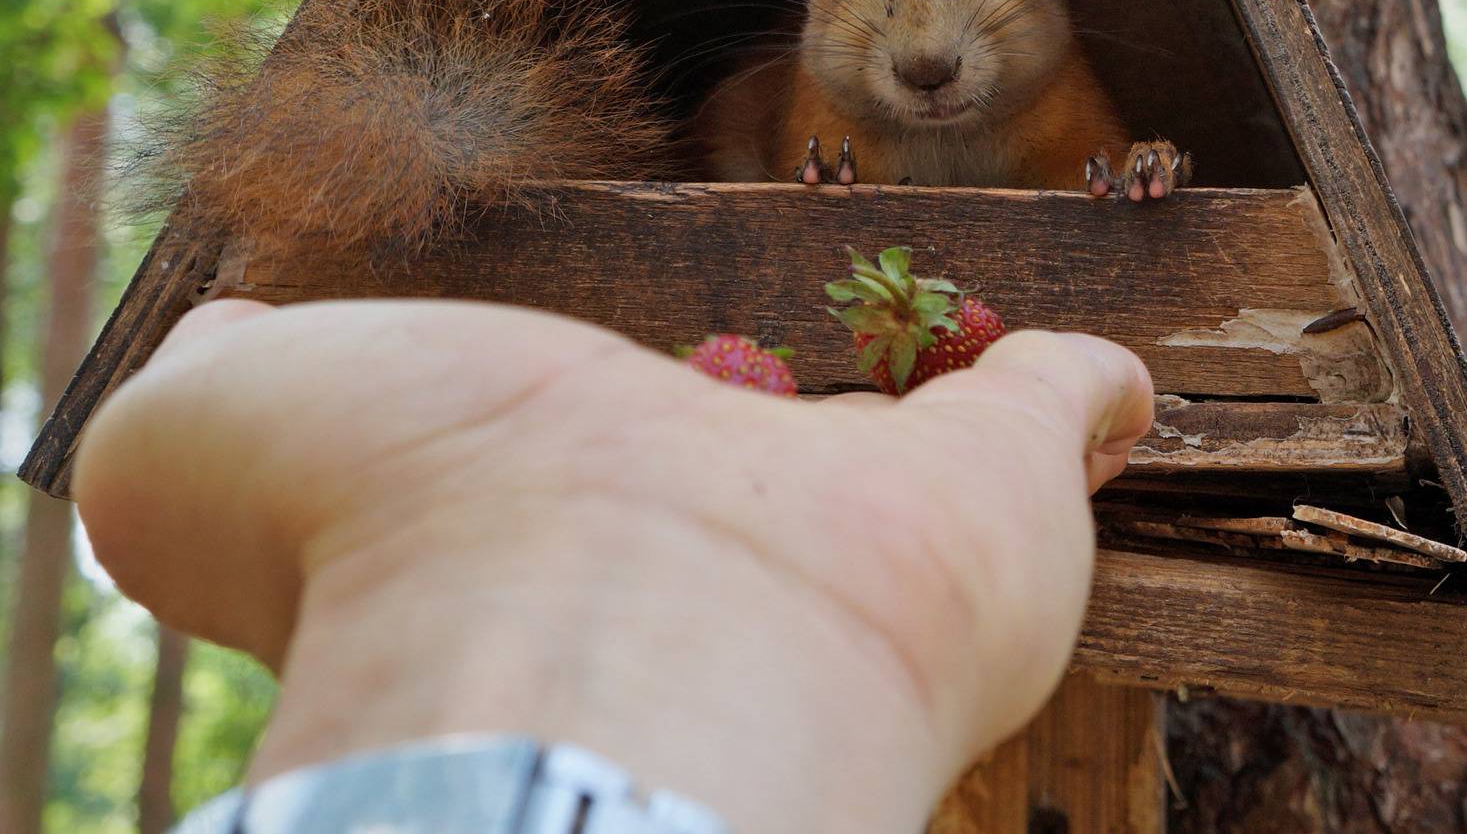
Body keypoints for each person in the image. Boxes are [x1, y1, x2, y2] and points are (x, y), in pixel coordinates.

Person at [74, 298, 1154, 833]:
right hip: (877, 575)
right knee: (1008, 420)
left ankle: (227, 351)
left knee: (196, 364)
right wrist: (1041, 389)